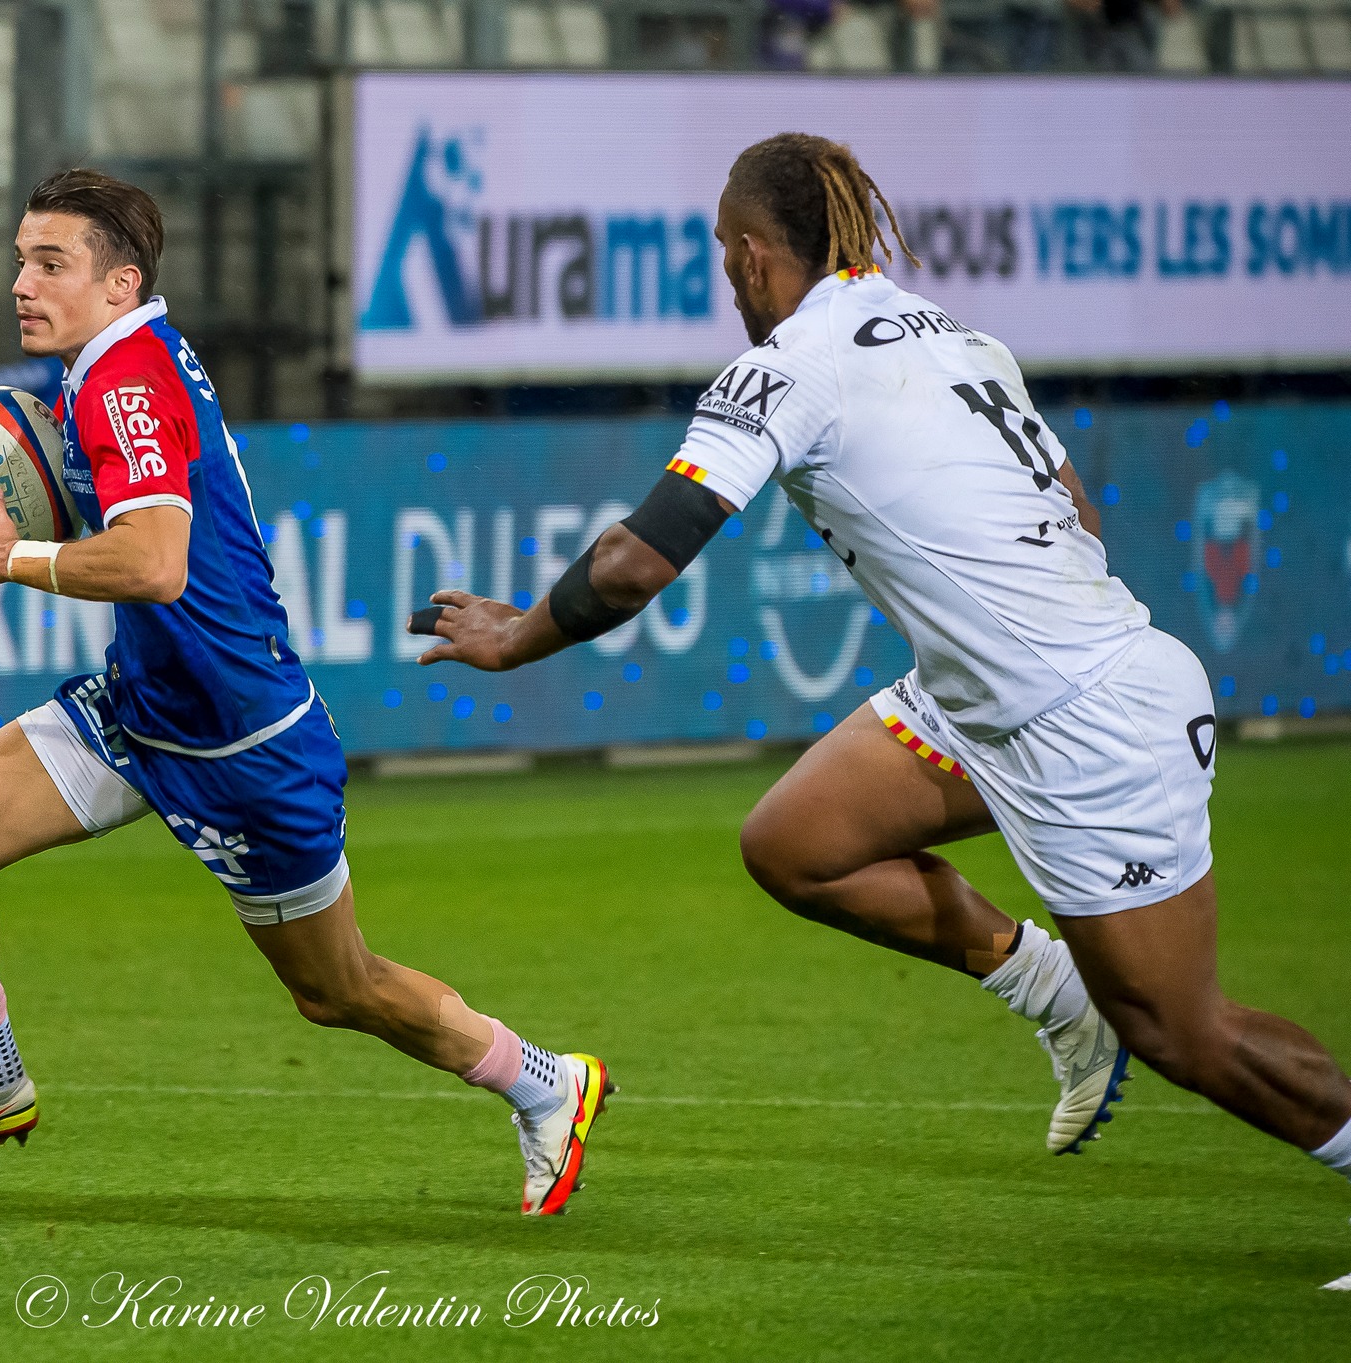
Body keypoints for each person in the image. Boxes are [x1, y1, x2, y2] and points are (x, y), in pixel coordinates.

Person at [412, 134, 1351, 1199]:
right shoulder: (956, 335)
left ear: (756, 254)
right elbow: (1075, 506)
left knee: (1185, 1030)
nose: (729, 280)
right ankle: (1056, 994)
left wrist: (513, 634)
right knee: (795, 844)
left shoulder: (788, 365)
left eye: (728, 254)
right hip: (992, 695)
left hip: (1086, 721)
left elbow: (632, 566)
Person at [0, 169, 612, 1216]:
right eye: (19, 260)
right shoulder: (111, 364)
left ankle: (544, 1081)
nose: (21, 283)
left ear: (119, 284)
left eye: (50, 263)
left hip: (243, 748)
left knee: (334, 989)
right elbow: (121, 523)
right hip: (141, 711)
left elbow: (155, 563)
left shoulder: (122, 383)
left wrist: (9, 553)